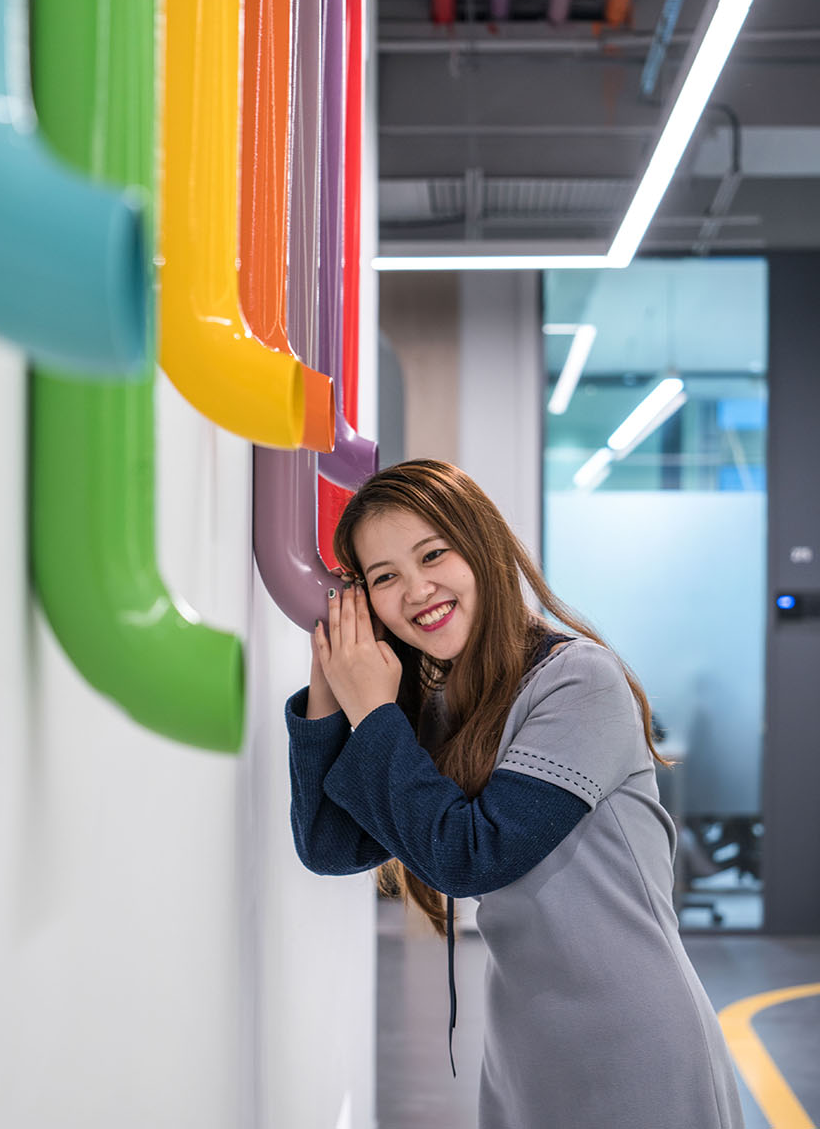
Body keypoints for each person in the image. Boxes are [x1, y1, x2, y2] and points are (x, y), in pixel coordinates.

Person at [285, 459, 744, 1129]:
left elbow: (471, 855)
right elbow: (328, 843)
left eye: (433, 553)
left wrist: (376, 714)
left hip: (635, 1040)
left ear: (483, 546)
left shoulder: (580, 682)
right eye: (384, 577)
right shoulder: (445, 705)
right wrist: (331, 688)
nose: (417, 589)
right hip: (523, 1048)